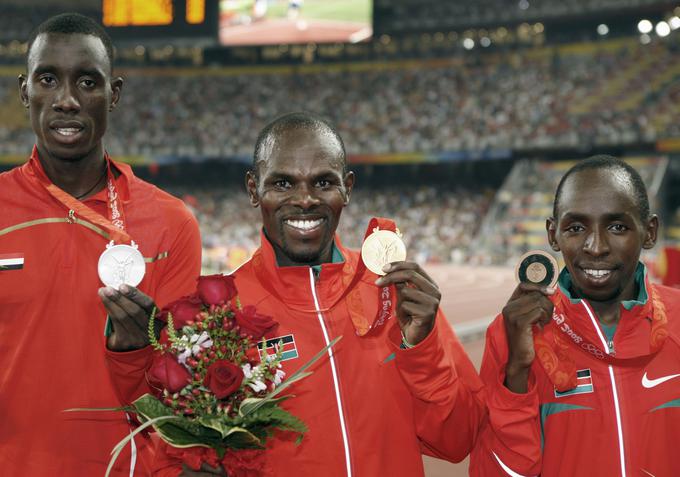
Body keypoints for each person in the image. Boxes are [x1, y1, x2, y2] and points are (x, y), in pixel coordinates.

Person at [153, 112, 485, 476]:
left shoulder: (395, 293)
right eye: (282, 183)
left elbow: (457, 441)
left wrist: (421, 351)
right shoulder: (216, 314)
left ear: (348, 188)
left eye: (323, 182)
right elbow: (173, 458)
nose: (306, 199)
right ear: (253, 189)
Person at [0, 13, 202, 476]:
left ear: (113, 95)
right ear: (23, 91)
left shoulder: (171, 223)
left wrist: (141, 349)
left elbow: (188, 394)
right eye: (48, 79)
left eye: (88, 82)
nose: (67, 100)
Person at [470, 155, 680, 476]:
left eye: (617, 226)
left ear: (649, 231)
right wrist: (516, 376)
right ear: (553, 235)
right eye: (576, 227)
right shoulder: (513, 332)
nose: (595, 246)